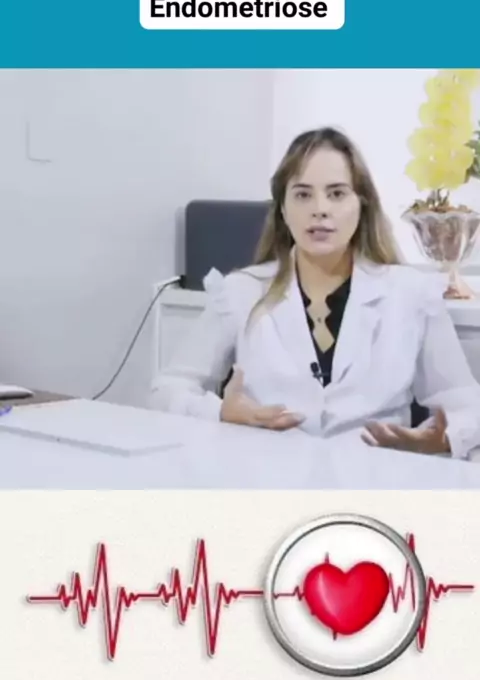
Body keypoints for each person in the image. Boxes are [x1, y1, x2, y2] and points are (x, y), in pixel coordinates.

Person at [150, 127, 480, 459]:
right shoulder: (241, 291)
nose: (320, 209)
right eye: (303, 195)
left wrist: (438, 440)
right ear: (283, 209)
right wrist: (221, 412)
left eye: (336, 194)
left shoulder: (412, 294)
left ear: (362, 204)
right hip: (266, 477)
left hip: (376, 479)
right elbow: (166, 391)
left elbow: (468, 407)